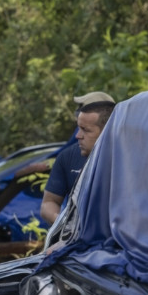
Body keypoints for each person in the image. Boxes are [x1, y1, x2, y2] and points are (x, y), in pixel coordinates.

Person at [40, 91, 116, 225]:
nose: (78, 136)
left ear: (107, 128)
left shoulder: (128, 156)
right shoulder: (67, 156)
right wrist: (65, 226)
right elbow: (48, 203)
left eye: (86, 130)